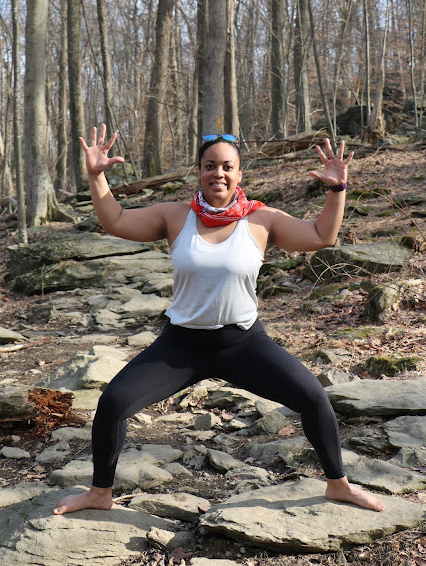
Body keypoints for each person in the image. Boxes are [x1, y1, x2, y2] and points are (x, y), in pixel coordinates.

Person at [53, 125, 384, 515]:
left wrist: (336, 190)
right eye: (210, 166)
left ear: (239, 173)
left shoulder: (263, 220)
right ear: (199, 171)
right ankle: (99, 492)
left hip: (243, 343)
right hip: (181, 346)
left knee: (313, 397)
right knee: (112, 402)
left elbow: (320, 236)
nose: (219, 174)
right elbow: (117, 221)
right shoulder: (174, 216)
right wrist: (97, 176)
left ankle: (338, 484)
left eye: (228, 166)